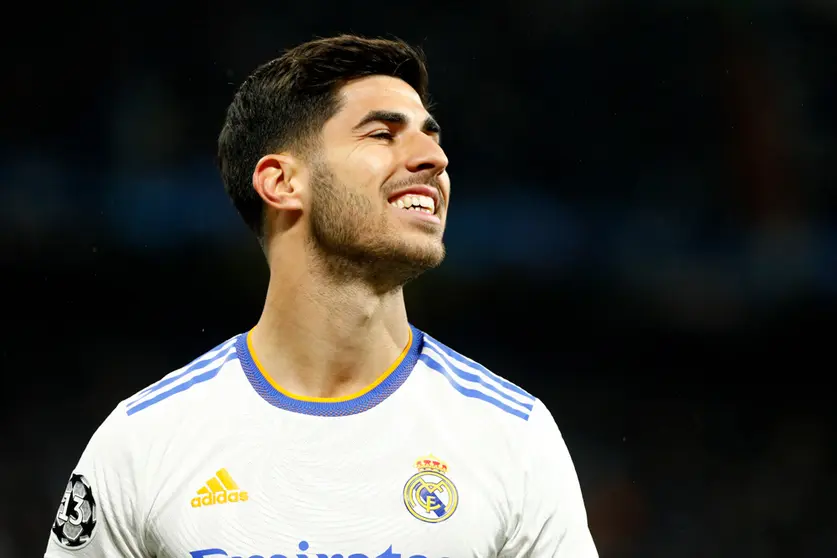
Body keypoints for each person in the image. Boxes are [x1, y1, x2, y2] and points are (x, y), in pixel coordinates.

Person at [45, 35, 599, 558]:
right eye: (383, 134)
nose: (434, 158)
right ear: (282, 183)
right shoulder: (143, 441)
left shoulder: (513, 437)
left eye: (431, 135)